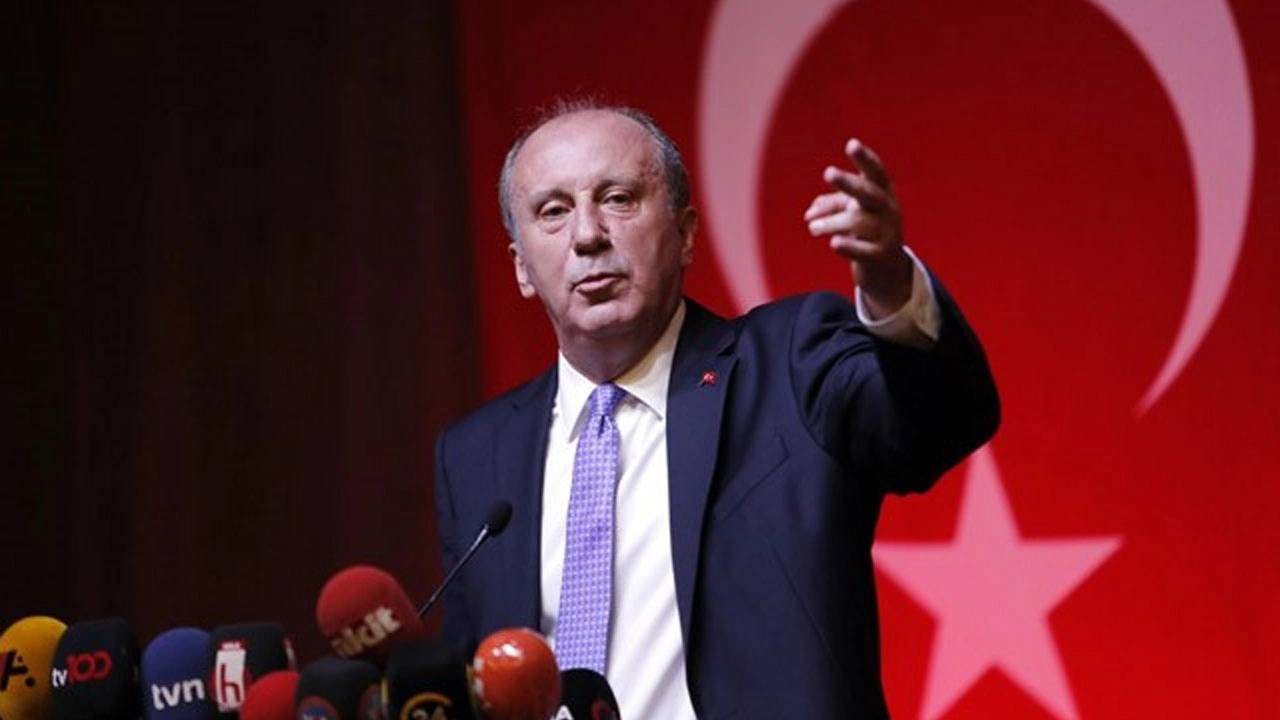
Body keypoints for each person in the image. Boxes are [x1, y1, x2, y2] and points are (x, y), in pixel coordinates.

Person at [433, 101, 999, 719]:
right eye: (553, 211)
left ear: (686, 234)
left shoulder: (789, 367)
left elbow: (940, 423)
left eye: (618, 199)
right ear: (521, 267)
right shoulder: (475, 456)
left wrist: (890, 284)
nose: (588, 235)